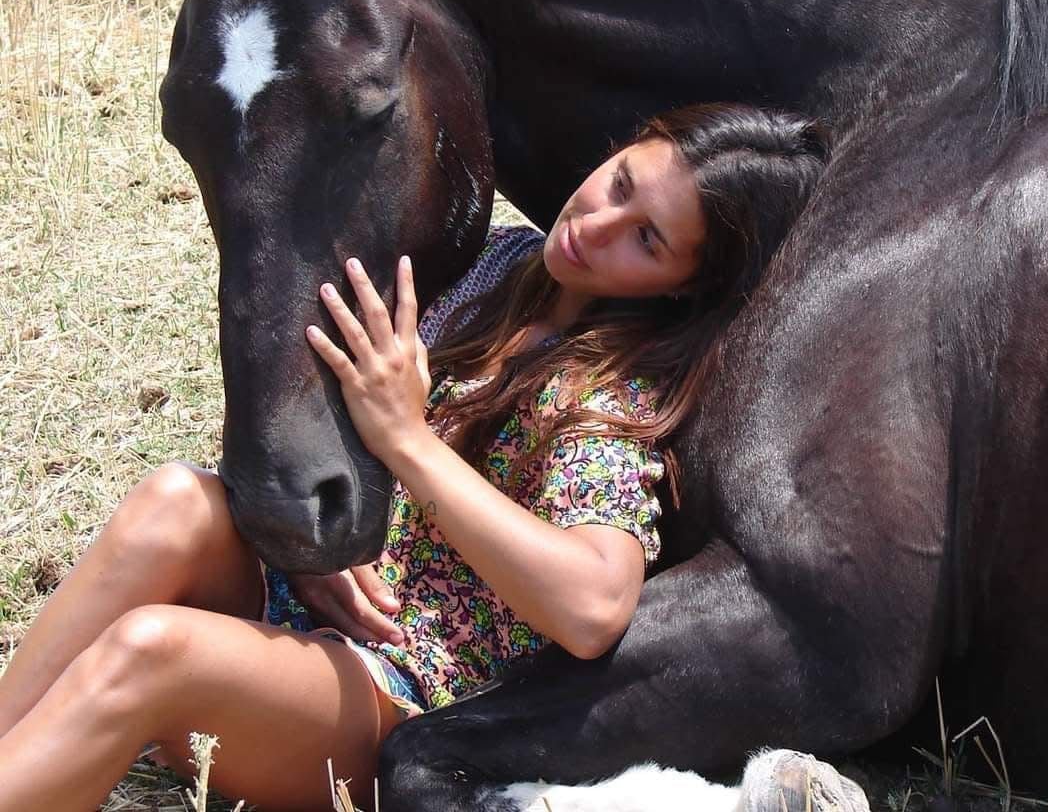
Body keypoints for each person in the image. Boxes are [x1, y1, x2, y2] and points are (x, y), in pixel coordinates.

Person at [0, 103, 829, 812]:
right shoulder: (494, 262)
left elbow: (595, 605)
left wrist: (407, 439)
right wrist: (308, 540)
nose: (593, 226)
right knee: (174, 501)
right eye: (620, 182)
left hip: (391, 685)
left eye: (645, 239)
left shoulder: (607, 391)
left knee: (151, 649)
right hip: (306, 596)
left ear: (686, 283)